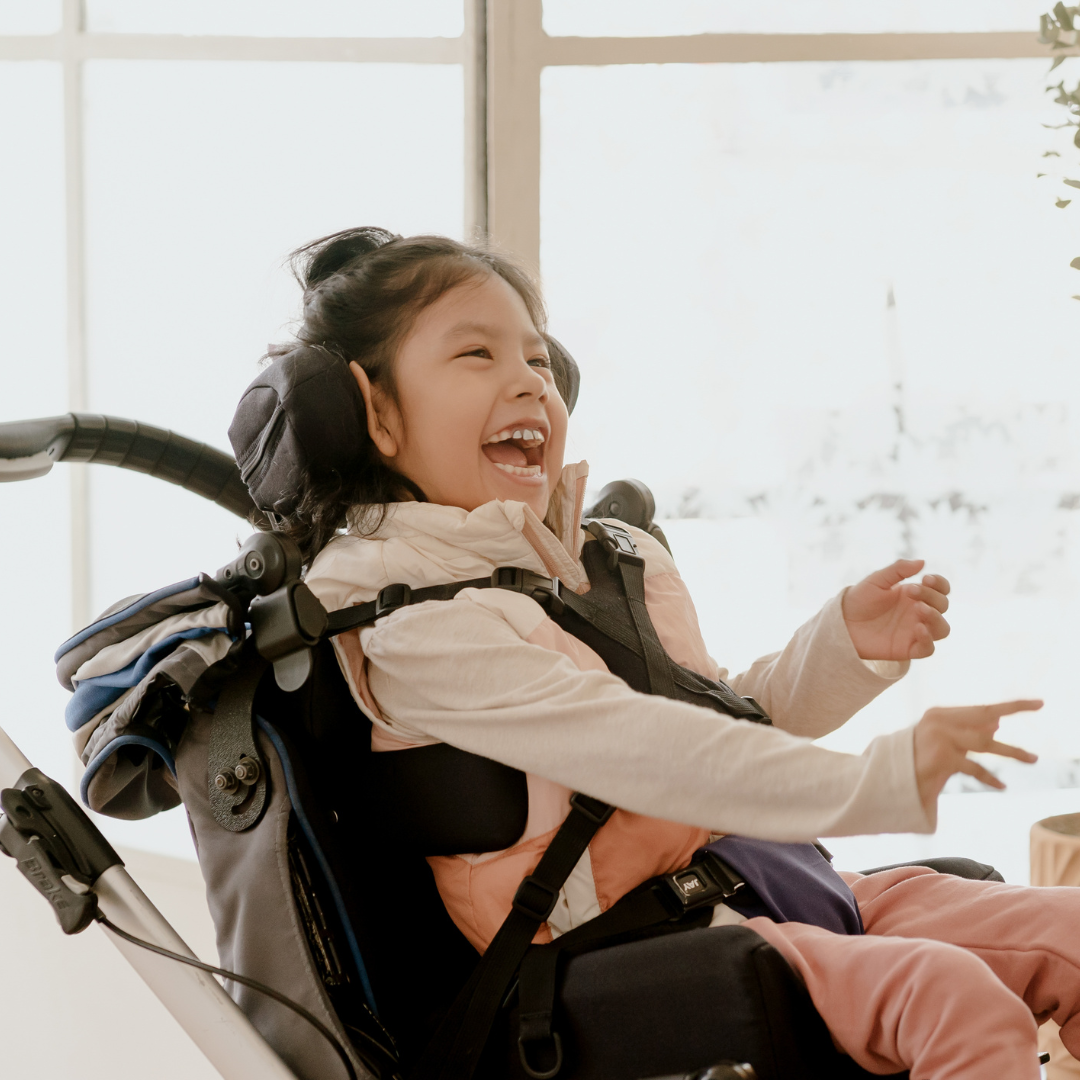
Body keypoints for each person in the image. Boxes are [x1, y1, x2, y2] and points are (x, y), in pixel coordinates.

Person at [281, 226, 1071, 1079]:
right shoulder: (416, 627)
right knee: (955, 1000)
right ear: (373, 413)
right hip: (630, 941)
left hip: (749, 882)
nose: (525, 381)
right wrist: (874, 782)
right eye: (476, 354)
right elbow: (649, 752)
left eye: (541, 363)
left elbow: (723, 717)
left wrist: (841, 648)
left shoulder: (596, 563)